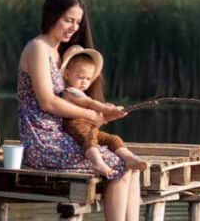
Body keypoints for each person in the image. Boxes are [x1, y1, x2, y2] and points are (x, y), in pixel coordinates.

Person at [17, 0, 151, 221]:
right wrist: (91, 115)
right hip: (41, 138)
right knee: (117, 165)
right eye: (68, 20)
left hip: (60, 133)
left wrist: (104, 110)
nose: (73, 28)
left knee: (128, 165)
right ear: (51, 15)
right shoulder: (37, 48)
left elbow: (74, 95)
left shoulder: (59, 52)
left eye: (77, 23)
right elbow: (48, 102)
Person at [58, 45, 147, 178]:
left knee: (112, 139)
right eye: (80, 77)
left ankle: (129, 158)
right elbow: (89, 103)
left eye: (88, 79)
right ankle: (97, 162)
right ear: (67, 74)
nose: (84, 82)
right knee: (90, 138)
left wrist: (113, 112)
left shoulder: (81, 93)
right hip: (74, 125)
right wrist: (107, 108)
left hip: (89, 126)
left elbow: (98, 116)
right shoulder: (70, 92)